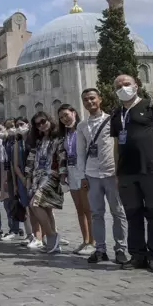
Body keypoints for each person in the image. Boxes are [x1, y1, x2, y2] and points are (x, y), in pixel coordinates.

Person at [111, 75, 153, 273]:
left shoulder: (151, 106)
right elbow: (116, 146)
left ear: (136, 86)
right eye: (118, 86)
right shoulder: (116, 114)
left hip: (150, 169)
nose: (123, 88)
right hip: (127, 172)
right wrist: (117, 171)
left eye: (126, 84)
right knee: (133, 214)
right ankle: (137, 255)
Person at [77, 89, 128, 264]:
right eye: (85, 100)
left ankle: (120, 248)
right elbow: (80, 152)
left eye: (92, 98)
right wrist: (83, 175)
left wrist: (120, 171)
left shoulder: (112, 121)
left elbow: (119, 146)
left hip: (111, 172)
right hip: (92, 174)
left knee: (117, 211)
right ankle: (100, 249)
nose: (89, 102)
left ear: (100, 99)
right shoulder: (82, 125)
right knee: (96, 213)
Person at [25, 112, 66, 254]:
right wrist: (28, 179)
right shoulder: (37, 141)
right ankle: (54, 243)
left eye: (43, 121)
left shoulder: (58, 138)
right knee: (46, 209)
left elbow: (62, 157)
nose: (41, 125)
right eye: (38, 124)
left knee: (34, 204)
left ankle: (51, 235)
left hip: (51, 177)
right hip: (37, 177)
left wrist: (62, 174)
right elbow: (30, 161)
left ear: (49, 120)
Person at [58, 104, 95, 256]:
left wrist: (86, 173)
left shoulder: (83, 128)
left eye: (66, 115)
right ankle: (85, 240)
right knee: (79, 209)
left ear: (74, 113)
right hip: (71, 172)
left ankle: (93, 242)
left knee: (88, 209)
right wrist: (63, 174)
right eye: (61, 117)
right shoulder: (65, 134)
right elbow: (63, 155)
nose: (64, 119)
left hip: (83, 171)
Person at [13, 118, 42, 249]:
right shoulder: (18, 144)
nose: (19, 127)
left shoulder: (34, 140)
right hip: (22, 179)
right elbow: (16, 165)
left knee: (39, 206)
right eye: (17, 125)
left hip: (36, 177)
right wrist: (22, 178)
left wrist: (31, 177)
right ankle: (33, 235)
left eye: (21, 124)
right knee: (28, 208)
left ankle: (43, 235)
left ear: (28, 125)